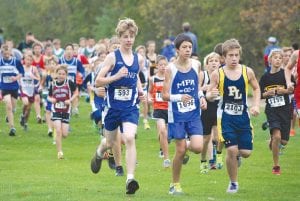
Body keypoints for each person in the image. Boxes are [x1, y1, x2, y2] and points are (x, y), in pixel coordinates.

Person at [91, 18, 144, 195]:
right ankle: (99, 153)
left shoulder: (138, 59)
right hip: (112, 109)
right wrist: (115, 77)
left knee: (129, 138)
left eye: (131, 37)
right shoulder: (112, 57)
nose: (129, 40)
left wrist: (141, 91)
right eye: (125, 37)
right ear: (119, 38)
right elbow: (98, 81)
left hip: (130, 108)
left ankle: (130, 179)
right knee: (110, 141)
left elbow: (135, 76)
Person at [206, 39, 260, 193]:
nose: (234, 58)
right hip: (225, 117)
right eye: (231, 55)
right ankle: (233, 183)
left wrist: (256, 105)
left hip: (243, 116)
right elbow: (209, 94)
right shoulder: (218, 74)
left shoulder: (247, 71)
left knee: (246, 153)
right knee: (231, 150)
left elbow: (256, 89)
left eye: (236, 55)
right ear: (224, 57)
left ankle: (237, 157)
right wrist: (211, 94)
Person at [162, 33, 206, 195]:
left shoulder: (197, 65)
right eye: (184, 47)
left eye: (190, 47)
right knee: (180, 151)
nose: (188, 50)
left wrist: (201, 98)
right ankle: (175, 184)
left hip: (193, 113)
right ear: (177, 50)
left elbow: (197, 88)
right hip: (177, 114)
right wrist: (179, 97)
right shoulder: (170, 69)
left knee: (197, 147)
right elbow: (164, 95)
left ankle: (186, 145)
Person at [259, 49, 293, 175]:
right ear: (270, 60)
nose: (278, 60)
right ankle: (276, 166)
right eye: (275, 57)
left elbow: (292, 89)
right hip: (272, 110)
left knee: (283, 141)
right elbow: (260, 94)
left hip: (285, 110)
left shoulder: (286, 75)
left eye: (280, 58)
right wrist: (268, 93)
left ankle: (272, 142)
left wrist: (282, 91)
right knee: (277, 136)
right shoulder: (265, 77)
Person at [47, 64, 77, 159]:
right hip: (55, 109)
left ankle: (59, 138)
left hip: (66, 110)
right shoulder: (53, 84)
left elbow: (76, 92)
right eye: (59, 74)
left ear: (66, 75)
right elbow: (48, 96)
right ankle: (60, 152)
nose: (61, 75)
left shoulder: (69, 83)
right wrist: (51, 100)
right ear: (56, 74)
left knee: (65, 134)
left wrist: (70, 100)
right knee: (58, 131)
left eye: (63, 74)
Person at [199, 52, 222, 173]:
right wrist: (207, 88)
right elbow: (196, 88)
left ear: (220, 63)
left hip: (219, 107)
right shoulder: (203, 74)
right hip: (206, 107)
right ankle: (203, 161)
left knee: (219, 136)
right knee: (206, 139)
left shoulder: (223, 74)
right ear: (206, 64)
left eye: (216, 61)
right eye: (211, 61)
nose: (214, 63)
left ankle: (218, 157)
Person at [148, 55, 170, 167]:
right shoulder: (152, 79)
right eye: (161, 65)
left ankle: (163, 145)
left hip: (169, 108)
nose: (163, 67)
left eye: (165, 65)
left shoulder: (170, 78)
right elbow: (149, 92)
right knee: (162, 130)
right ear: (157, 66)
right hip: (158, 108)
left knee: (167, 133)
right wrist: (149, 98)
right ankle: (166, 158)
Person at [0, 44, 24, 136]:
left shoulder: (16, 61)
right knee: (8, 106)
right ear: (2, 53)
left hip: (14, 87)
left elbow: (22, 72)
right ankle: (12, 128)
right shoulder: (0, 61)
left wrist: (16, 77)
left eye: (8, 53)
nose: (6, 55)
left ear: (10, 52)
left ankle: (9, 116)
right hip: (4, 87)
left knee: (13, 108)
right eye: (4, 53)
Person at [59, 43, 84, 116]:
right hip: (62, 82)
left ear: (73, 51)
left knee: (75, 94)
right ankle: (64, 109)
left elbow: (82, 71)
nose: (69, 51)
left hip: (73, 82)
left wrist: (80, 75)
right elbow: (57, 70)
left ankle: (74, 108)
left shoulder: (77, 61)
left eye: (70, 49)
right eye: (67, 49)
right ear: (65, 51)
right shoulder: (61, 60)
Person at [20, 53, 40, 131]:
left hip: (31, 90)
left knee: (28, 109)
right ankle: (22, 115)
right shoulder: (21, 68)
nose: (28, 61)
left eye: (30, 60)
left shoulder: (34, 68)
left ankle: (25, 123)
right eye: (27, 59)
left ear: (32, 61)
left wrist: (34, 77)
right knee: (25, 103)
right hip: (23, 89)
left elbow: (39, 78)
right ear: (24, 60)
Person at [282, 47, 297, 136]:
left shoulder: (295, 67)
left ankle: (292, 129)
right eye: (285, 55)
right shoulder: (279, 67)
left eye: (289, 55)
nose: (287, 57)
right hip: (282, 94)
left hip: (293, 94)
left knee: (294, 112)